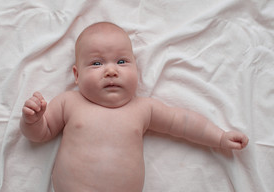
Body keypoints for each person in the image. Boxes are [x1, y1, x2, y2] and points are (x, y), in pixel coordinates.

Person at [20, 22, 249, 192]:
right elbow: (40, 135)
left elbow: (184, 123)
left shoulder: (143, 109)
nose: (111, 70)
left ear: (136, 69)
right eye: (97, 63)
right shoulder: (70, 102)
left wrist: (219, 138)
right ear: (77, 76)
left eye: (121, 61)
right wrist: (33, 120)